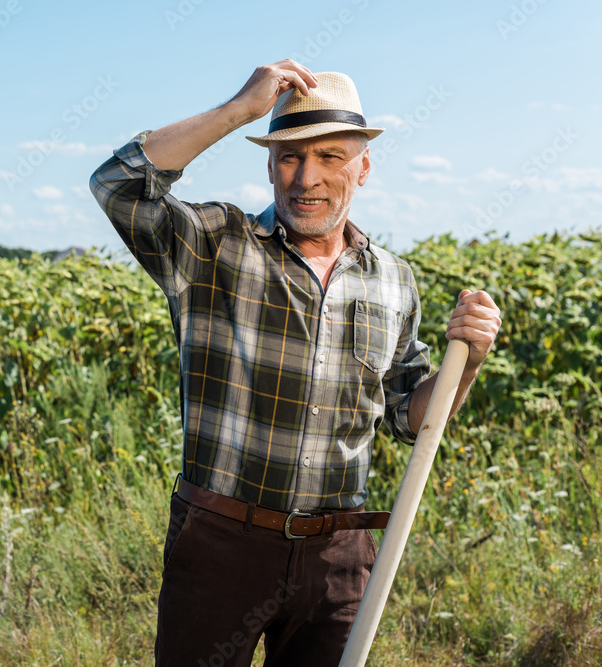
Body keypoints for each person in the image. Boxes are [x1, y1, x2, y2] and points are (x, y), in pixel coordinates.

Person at [89, 60, 501, 666]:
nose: (306, 178)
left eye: (330, 157)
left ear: (363, 168)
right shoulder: (213, 244)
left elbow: (409, 417)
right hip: (221, 542)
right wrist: (239, 110)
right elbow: (118, 184)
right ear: (269, 165)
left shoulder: (393, 280)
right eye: (289, 157)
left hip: (338, 557)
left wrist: (465, 366)